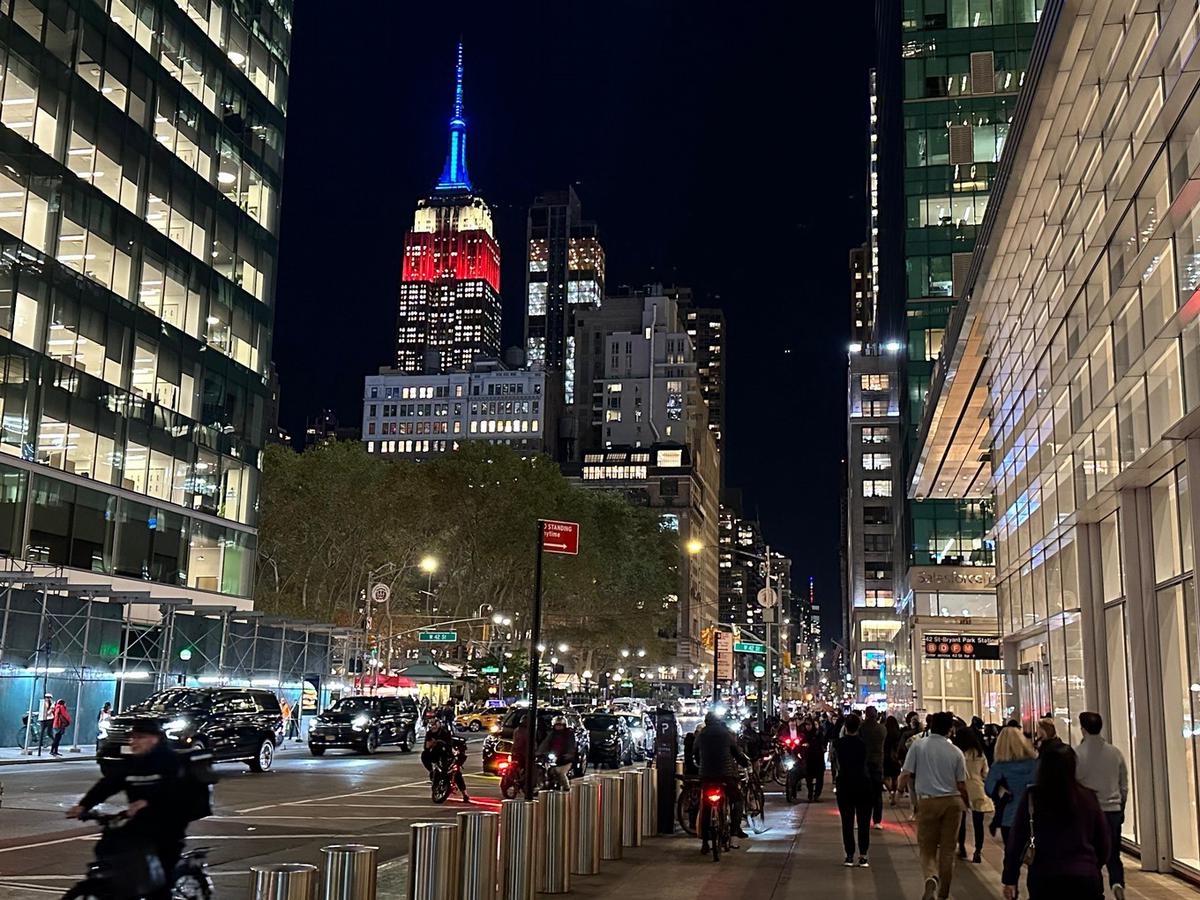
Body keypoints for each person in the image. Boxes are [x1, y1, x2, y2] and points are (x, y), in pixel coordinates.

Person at [68, 719, 186, 900]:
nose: (133, 742)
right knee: (111, 847)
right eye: (132, 738)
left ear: (154, 739)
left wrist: (148, 802)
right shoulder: (132, 763)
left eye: (140, 738)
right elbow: (108, 784)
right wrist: (84, 805)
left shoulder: (170, 761)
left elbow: (177, 789)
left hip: (168, 825)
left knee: (160, 881)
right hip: (140, 822)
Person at [1001, 743, 1110, 899]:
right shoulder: (1087, 797)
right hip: (1084, 877)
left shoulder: (1033, 797)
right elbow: (1103, 842)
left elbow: (1016, 840)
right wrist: (1091, 864)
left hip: (1045, 876)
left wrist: (1010, 878)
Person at [899, 711, 969, 900]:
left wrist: (898, 792)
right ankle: (943, 894)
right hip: (953, 802)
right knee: (947, 849)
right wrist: (966, 802)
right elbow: (961, 783)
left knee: (927, 848)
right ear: (949, 729)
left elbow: (906, 773)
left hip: (928, 801)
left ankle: (931, 877)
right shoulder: (956, 752)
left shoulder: (919, 746)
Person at [1075, 711, 1128, 900]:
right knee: (1113, 853)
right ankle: (1117, 882)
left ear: (1083, 729)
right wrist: (1121, 807)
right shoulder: (1115, 753)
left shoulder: (1077, 754)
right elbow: (1123, 785)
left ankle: (1097, 890)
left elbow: (1074, 784)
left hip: (1088, 812)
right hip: (1112, 810)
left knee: (1092, 855)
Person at [696, 710, 752, 851]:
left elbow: (694, 753)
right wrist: (745, 763)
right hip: (725, 775)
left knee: (705, 808)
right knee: (737, 800)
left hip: (707, 775)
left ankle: (704, 843)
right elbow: (736, 753)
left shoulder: (702, 734)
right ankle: (734, 834)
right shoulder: (726, 734)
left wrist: (700, 765)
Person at [985, 726, 1038, 847]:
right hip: (1031, 815)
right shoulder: (1034, 764)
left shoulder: (999, 767)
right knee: (1032, 855)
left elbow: (989, 789)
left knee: (1011, 858)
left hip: (1008, 817)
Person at [833, 713, 873, 867]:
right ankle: (863, 856)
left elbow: (836, 764)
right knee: (863, 822)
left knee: (847, 821)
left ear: (845, 727)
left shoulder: (838, 744)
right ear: (859, 727)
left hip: (845, 784)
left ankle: (849, 855)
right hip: (863, 783)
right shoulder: (864, 744)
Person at [953, 725, 993, 863]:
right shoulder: (979, 753)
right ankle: (978, 852)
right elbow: (986, 773)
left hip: (962, 789)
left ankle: (962, 847)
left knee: (961, 821)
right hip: (977, 788)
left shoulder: (957, 753)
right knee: (978, 823)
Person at [421, 719, 469, 802]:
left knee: (457, 773)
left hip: (447, 756)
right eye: (431, 725)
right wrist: (431, 746)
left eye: (435, 724)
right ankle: (432, 772)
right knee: (424, 755)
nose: (433, 726)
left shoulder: (445, 732)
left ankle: (465, 794)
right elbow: (426, 747)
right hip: (436, 756)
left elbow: (449, 745)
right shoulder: (429, 733)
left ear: (439, 724)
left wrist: (440, 743)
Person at [860, 706, 887, 828]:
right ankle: (877, 820)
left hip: (863, 763)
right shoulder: (882, 729)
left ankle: (862, 818)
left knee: (862, 794)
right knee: (877, 794)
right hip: (877, 764)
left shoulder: (862, 728)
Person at [536, 715, 577, 790]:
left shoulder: (569, 734)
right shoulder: (552, 734)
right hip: (555, 758)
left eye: (560, 725)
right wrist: (539, 752)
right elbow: (545, 743)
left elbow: (571, 745)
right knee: (548, 770)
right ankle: (544, 784)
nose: (558, 727)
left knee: (560, 773)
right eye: (557, 725)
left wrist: (568, 754)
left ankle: (566, 787)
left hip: (566, 760)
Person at [802, 716, 827, 801]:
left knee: (819, 778)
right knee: (808, 778)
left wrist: (811, 745)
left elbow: (821, 743)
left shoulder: (818, 733)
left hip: (818, 759)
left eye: (809, 724)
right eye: (806, 725)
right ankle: (810, 793)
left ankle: (816, 794)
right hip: (808, 759)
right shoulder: (803, 734)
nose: (807, 726)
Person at [883, 715, 903, 806]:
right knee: (895, 777)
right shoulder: (898, 733)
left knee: (885, 777)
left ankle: (890, 791)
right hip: (895, 757)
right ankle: (893, 793)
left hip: (886, 757)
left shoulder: (884, 733)